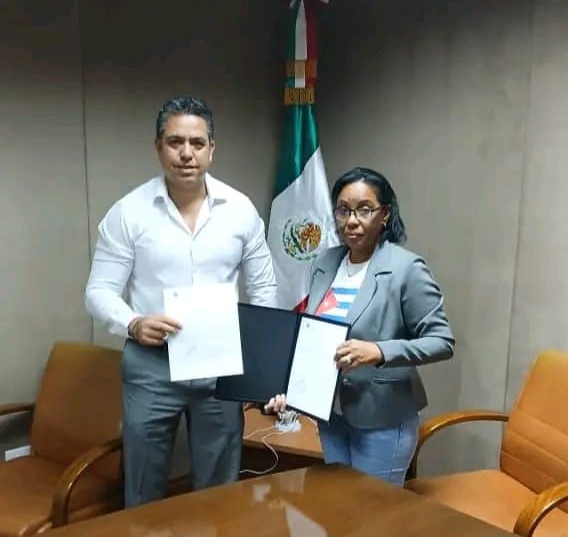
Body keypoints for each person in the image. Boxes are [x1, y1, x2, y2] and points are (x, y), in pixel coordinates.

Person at [85, 95, 277, 507]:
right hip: (152, 364)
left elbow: (264, 291)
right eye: (175, 142)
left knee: (219, 487)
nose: (186, 153)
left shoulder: (240, 210)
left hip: (220, 366)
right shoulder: (128, 212)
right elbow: (98, 290)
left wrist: (261, 365)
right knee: (143, 485)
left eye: (196, 142)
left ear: (212, 149)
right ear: (159, 148)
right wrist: (134, 322)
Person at [267, 167, 454, 485]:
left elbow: (442, 341)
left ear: (385, 214)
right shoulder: (325, 262)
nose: (351, 220)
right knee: (341, 500)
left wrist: (379, 351)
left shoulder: (406, 268)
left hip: (382, 416)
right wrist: (293, 390)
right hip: (332, 412)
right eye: (343, 210)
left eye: (364, 210)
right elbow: (314, 334)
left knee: (373, 509)